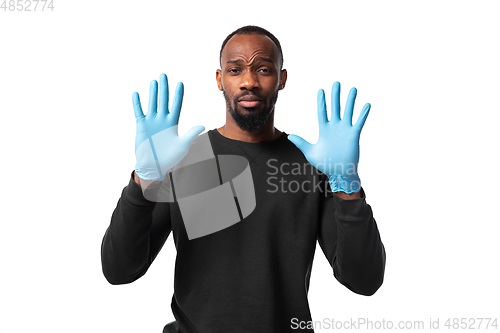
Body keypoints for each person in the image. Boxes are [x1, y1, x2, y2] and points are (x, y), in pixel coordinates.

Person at [101, 25, 386, 333]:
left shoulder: (314, 166)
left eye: (263, 69)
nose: (249, 81)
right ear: (220, 79)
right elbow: (119, 270)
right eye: (235, 70)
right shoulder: (178, 161)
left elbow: (364, 280)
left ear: (282, 79)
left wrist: (346, 186)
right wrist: (144, 180)